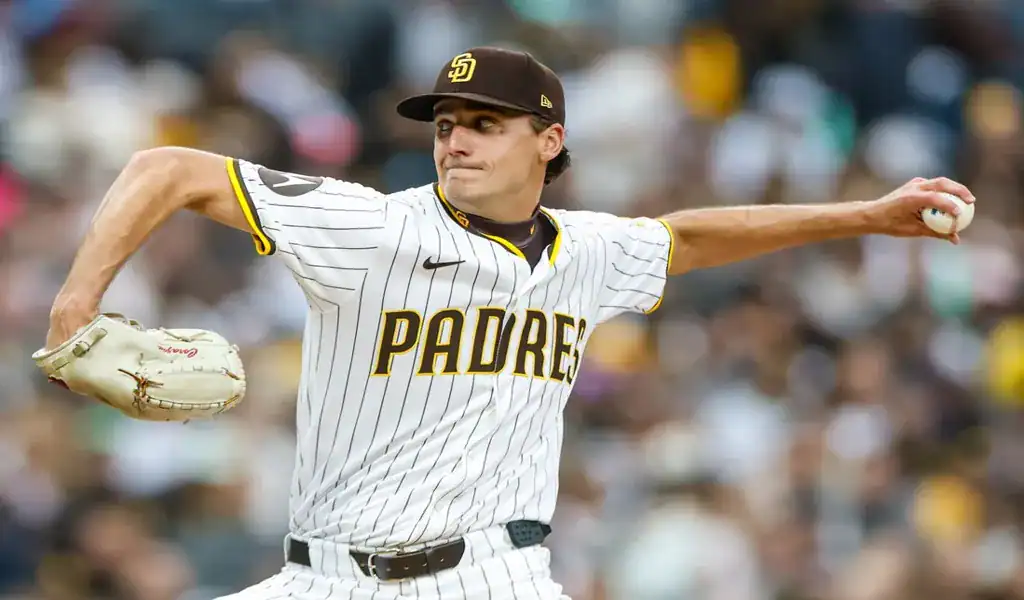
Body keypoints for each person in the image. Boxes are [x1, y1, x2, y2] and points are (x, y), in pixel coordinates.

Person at [43, 46, 975, 600]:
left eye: (485, 122)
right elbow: (165, 170)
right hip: (322, 577)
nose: (455, 139)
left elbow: (685, 240)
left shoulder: (591, 250)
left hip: (492, 577)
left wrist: (862, 214)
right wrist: (75, 307)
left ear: (549, 139)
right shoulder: (372, 225)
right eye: (447, 121)